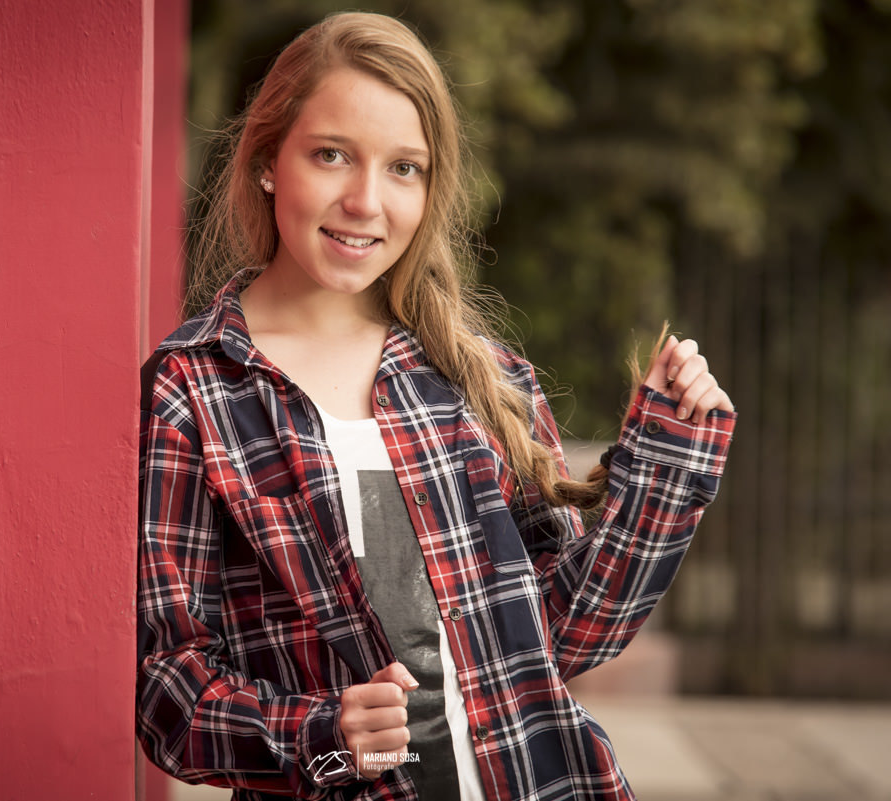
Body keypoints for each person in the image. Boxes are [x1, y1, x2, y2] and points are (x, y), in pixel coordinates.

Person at [137, 11, 735, 801]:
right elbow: (169, 691)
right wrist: (320, 731)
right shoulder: (194, 389)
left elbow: (565, 635)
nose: (365, 201)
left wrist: (665, 461)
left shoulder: (481, 376)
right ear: (266, 161)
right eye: (331, 155)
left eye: (403, 168)